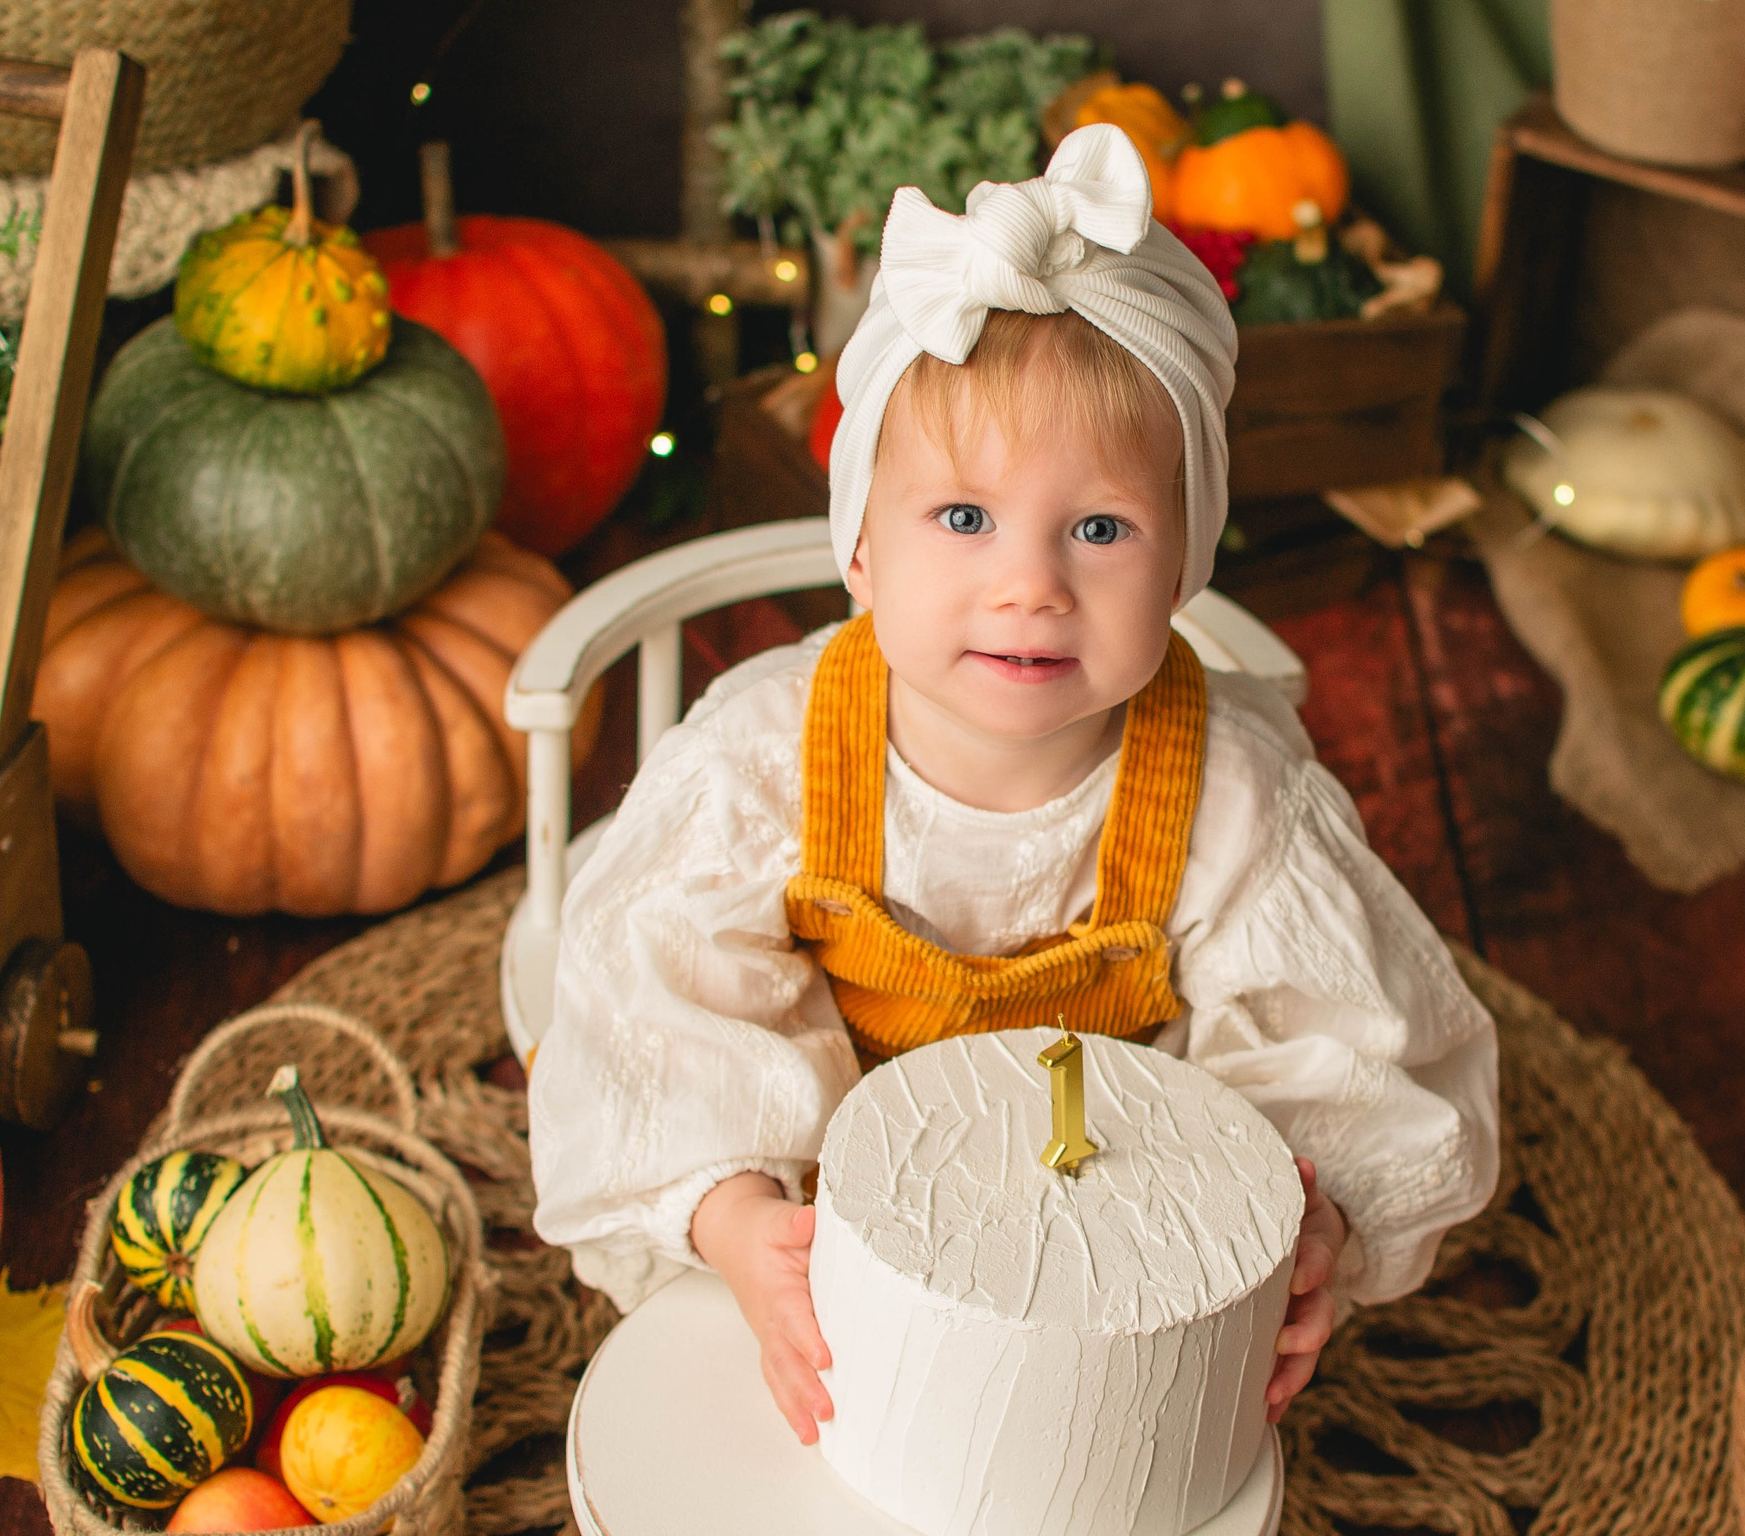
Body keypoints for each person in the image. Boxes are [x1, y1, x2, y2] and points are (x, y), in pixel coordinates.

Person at [528, 123, 1498, 1446]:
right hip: (836, 1193)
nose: (1031, 584)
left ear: (1183, 567)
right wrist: (737, 1217)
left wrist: (1305, 1216)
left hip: (1100, 1210)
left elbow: (1341, 1050)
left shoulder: (1232, 794)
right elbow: (650, 1009)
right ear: (862, 550)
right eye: (964, 518)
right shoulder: (765, 758)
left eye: (1100, 530)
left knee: (1083, 1455)